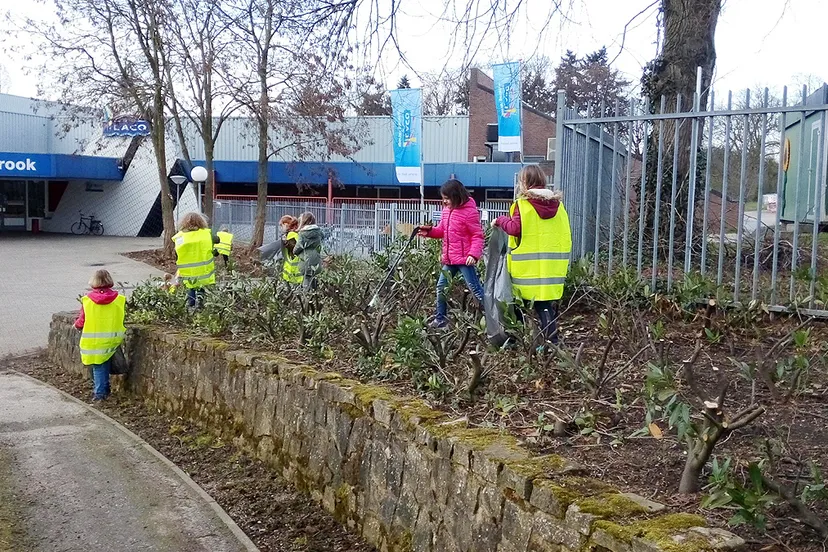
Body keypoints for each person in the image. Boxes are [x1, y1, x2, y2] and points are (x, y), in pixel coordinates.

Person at [492, 165, 571, 345]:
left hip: (527, 270)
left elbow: (514, 228)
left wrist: (500, 220)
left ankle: (523, 339)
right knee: (544, 305)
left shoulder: (523, 205)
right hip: (551, 268)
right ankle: (552, 342)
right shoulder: (559, 207)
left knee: (518, 304)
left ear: (525, 183)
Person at [418, 179, 485, 328]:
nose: (444, 202)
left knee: (476, 290)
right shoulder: (447, 211)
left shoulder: (469, 212)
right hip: (450, 259)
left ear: (456, 196)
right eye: (443, 198)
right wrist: (428, 231)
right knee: (441, 287)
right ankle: (440, 319)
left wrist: (473, 255)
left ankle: (493, 320)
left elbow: (477, 235)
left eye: (447, 198)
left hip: (464, 259)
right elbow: (441, 230)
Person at [74, 269, 126, 401]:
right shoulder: (119, 299)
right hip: (112, 339)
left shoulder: (87, 300)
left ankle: (99, 394)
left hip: (94, 341)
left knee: (98, 366)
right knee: (103, 363)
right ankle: (104, 388)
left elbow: (82, 320)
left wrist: (76, 326)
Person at [173, 212, 217, 308]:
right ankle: (200, 304)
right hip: (203, 269)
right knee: (200, 286)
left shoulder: (179, 237)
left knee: (191, 286)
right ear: (201, 222)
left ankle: (191, 304)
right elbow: (217, 240)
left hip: (187, 269)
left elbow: (176, 253)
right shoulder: (206, 235)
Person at [293, 212, 323, 291]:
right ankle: (315, 294)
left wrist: (294, 251)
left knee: (306, 277)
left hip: (306, 258)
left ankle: (306, 296)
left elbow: (299, 246)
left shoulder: (302, 233)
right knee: (313, 275)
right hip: (316, 257)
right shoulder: (318, 232)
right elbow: (323, 237)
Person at [279, 215, 303, 284]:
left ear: (286, 224)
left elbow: (291, 247)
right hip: (293, 272)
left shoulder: (291, 235)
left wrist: (284, 239)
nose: (281, 228)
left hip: (293, 272)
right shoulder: (295, 234)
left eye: (281, 226)